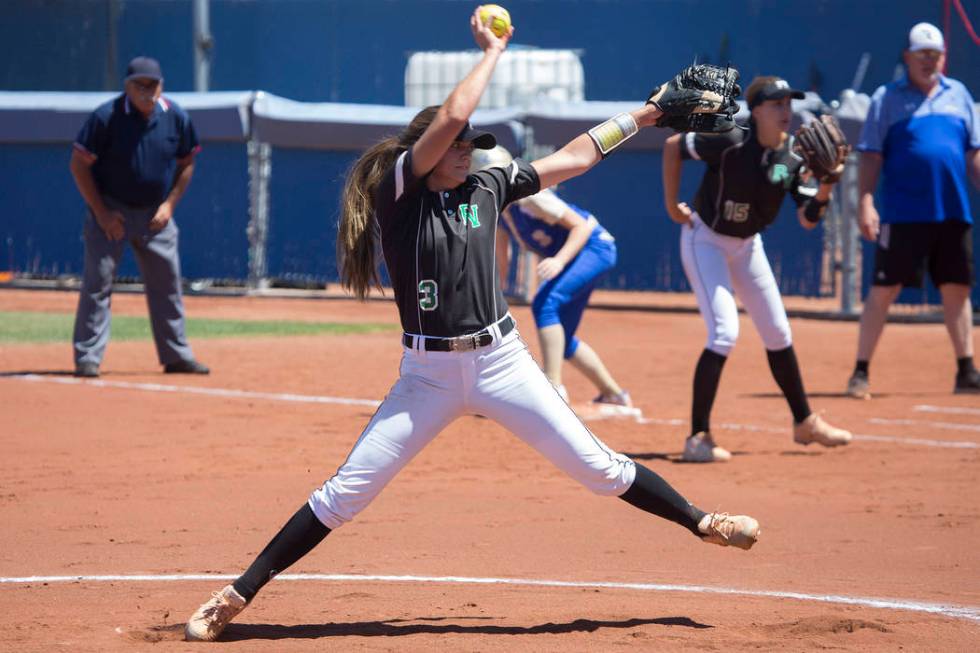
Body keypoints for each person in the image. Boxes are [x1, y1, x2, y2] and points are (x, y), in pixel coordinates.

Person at [184, 9, 757, 642]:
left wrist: (645, 116)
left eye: (471, 146)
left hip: (501, 363)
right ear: (424, 154)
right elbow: (452, 118)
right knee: (345, 494)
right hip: (426, 376)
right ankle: (235, 595)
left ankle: (703, 522)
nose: (467, 150)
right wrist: (492, 53)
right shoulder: (399, 194)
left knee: (600, 469)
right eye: (458, 146)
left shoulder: (486, 184)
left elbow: (574, 157)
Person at [661, 76, 853, 463]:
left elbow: (808, 217)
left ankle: (804, 422)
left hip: (748, 245)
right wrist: (670, 205)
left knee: (778, 331)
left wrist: (828, 187)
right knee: (724, 332)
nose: (786, 111)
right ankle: (698, 437)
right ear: (757, 111)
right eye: (777, 104)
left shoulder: (792, 158)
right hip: (707, 240)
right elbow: (672, 146)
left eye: (789, 104)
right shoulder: (729, 140)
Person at [845, 22, 980, 399]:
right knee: (884, 289)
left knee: (957, 288)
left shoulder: (959, 95)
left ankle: (966, 370)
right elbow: (871, 156)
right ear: (907, 57)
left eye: (935, 55)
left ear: (943, 57)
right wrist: (866, 203)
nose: (928, 61)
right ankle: (860, 371)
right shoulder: (886, 99)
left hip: (952, 210)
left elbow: (973, 153)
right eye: (922, 55)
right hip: (904, 212)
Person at [69, 56, 209, 378]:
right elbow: (78, 164)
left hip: (155, 216)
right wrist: (102, 214)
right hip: (112, 213)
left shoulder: (175, 116)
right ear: (127, 87)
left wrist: (170, 205)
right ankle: (88, 357)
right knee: (97, 284)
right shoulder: (106, 117)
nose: (147, 91)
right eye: (140, 85)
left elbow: (187, 162)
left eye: (153, 85)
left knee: (167, 285)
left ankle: (176, 355)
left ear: (161, 86)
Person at [472, 145, 633, 412]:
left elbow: (581, 227)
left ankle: (553, 388)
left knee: (545, 304)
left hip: (594, 246)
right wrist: (495, 292)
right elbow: (502, 257)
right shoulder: (500, 211)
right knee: (563, 338)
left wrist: (558, 261)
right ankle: (614, 394)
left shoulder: (530, 198)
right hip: (578, 253)